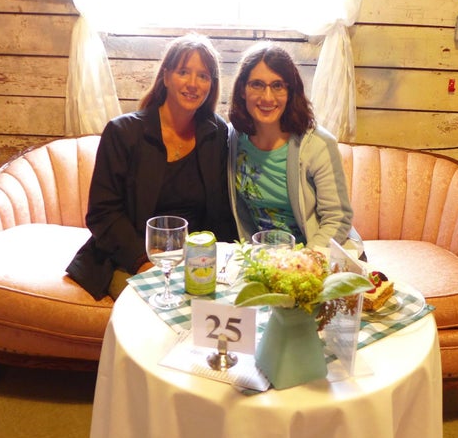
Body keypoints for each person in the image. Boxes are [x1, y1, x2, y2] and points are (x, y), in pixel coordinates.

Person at [67, 33, 237, 300]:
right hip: (129, 256)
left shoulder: (215, 133)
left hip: (194, 258)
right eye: (184, 72)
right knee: (157, 309)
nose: (193, 83)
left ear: (211, 85)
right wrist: (143, 261)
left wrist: (223, 263)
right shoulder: (123, 132)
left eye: (203, 76)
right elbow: (103, 214)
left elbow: (221, 211)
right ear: (166, 76)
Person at [227, 41, 361, 255]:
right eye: (257, 84)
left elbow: (338, 218)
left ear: (291, 92)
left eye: (278, 85)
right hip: (265, 258)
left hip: (321, 254)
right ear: (242, 90)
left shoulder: (318, 145)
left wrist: (302, 261)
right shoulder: (234, 139)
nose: (267, 97)